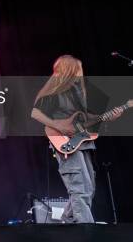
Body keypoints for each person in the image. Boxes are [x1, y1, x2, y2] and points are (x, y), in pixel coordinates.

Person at [31, 55, 122, 223]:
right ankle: (85, 229)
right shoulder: (55, 92)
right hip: (66, 143)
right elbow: (35, 113)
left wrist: (108, 117)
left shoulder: (78, 93)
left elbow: (84, 120)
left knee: (89, 188)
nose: (81, 72)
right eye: (79, 69)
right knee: (79, 188)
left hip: (83, 143)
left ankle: (67, 221)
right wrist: (60, 127)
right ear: (69, 70)